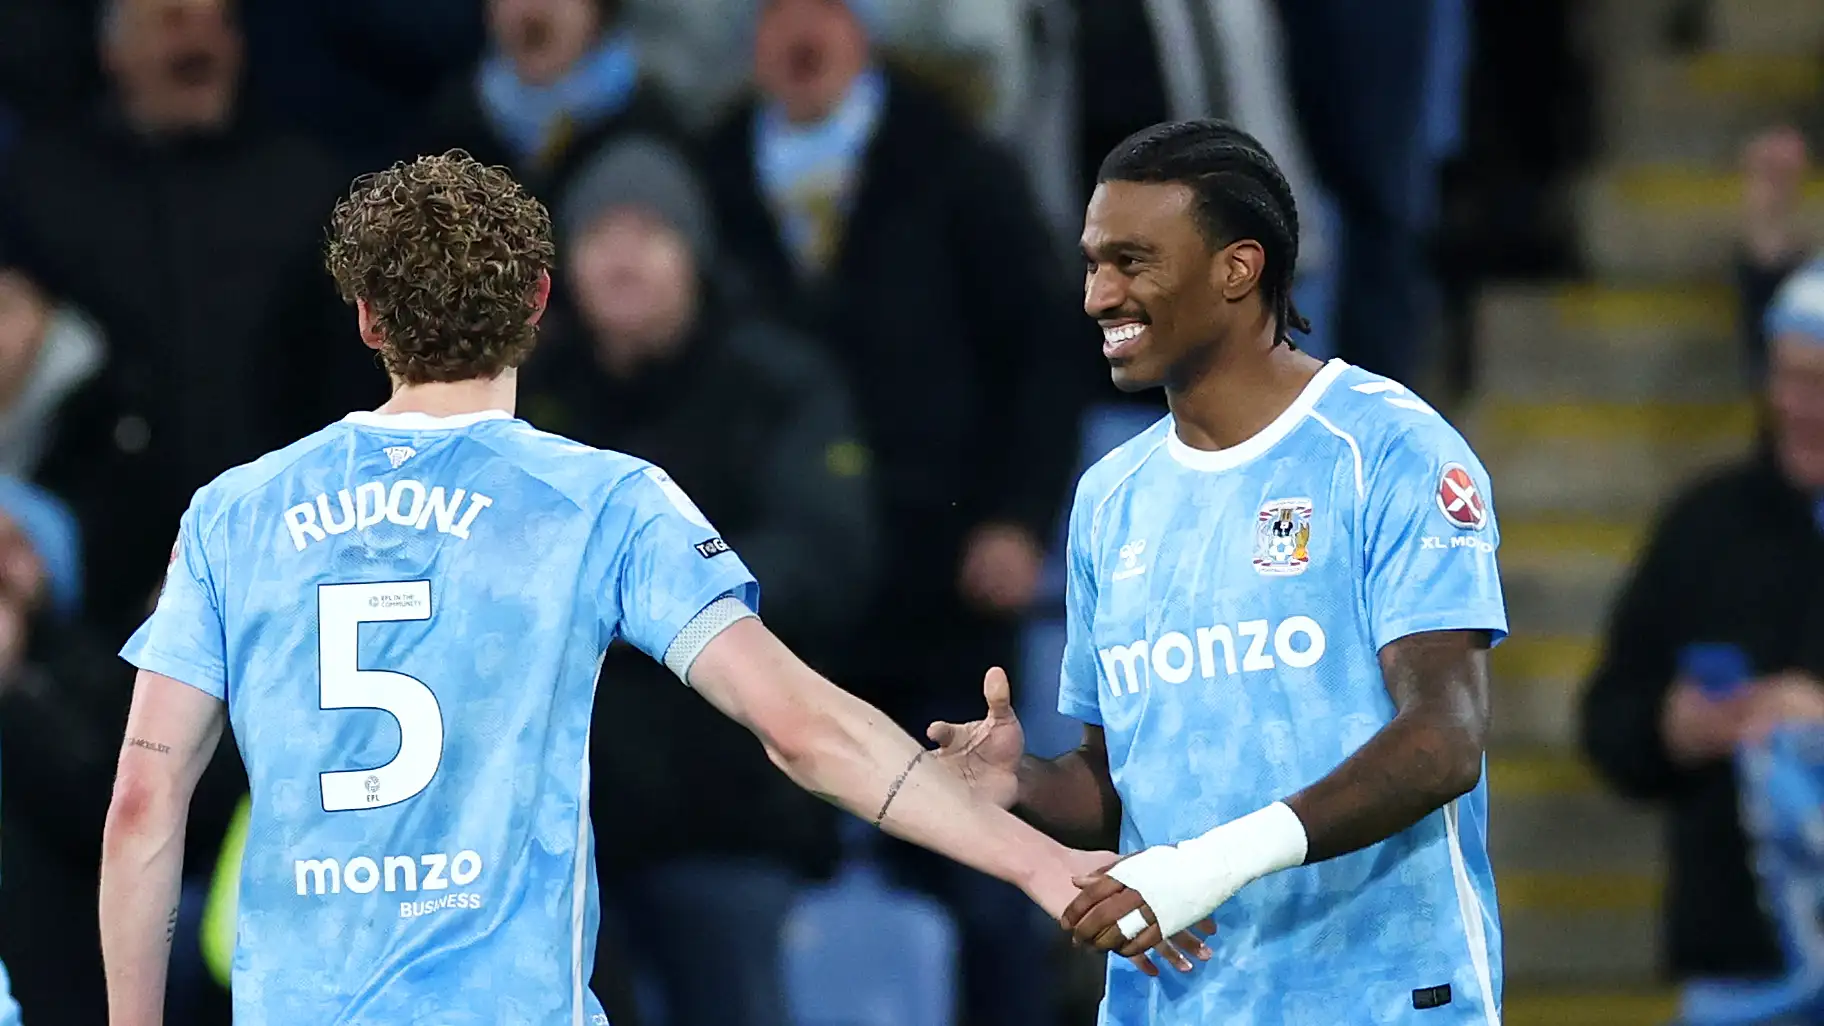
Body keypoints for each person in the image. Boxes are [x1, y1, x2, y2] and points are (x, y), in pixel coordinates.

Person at [95, 150, 1110, 1026]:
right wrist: (1035, 860)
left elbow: (144, 802)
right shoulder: (599, 502)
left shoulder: (235, 514)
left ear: (367, 319)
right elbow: (804, 729)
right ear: (540, 302)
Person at [930, 119, 1509, 1023]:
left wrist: (1209, 867)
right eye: (1093, 264)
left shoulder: (1388, 450)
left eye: (1133, 262)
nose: (1098, 296)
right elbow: (1118, 783)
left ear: (1238, 269)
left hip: (1378, 996)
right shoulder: (1109, 497)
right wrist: (1023, 783)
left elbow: (1443, 741)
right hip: (1173, 1002)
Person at [524, 134, 875, 1026]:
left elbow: (829, 556)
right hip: (567, 824)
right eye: (600, 236)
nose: (623, 258)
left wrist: (643, 601)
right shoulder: (532, 398)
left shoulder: (775, 381)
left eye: (649, 233)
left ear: (695, 252)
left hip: (734, 809)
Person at [1580, 256, 1824, 993]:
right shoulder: (1704, 526)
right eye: (1789, 378)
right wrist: (1670, 728)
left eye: (1823, 382)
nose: (1802, 406)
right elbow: (1608, 717)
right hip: (1736, 963)